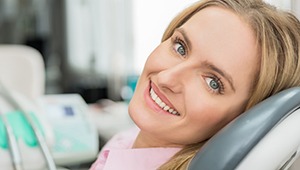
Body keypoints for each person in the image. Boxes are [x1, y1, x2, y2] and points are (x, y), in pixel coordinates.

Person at [90, 0, 300, 169]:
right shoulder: (127, 140)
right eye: (180, 47)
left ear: (244, 119)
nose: (166, 79)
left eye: (213, 83)